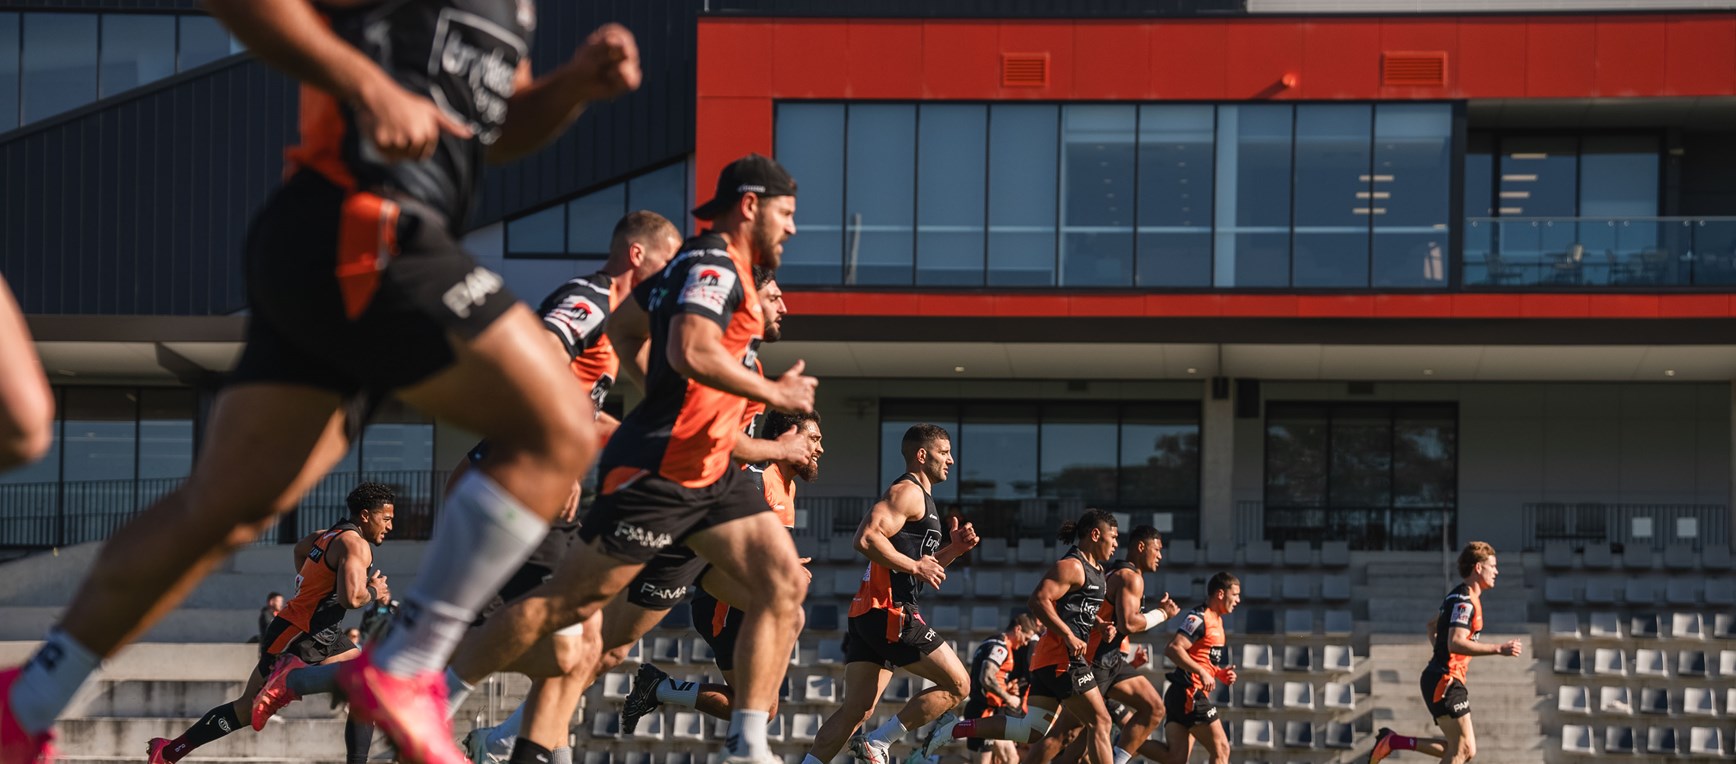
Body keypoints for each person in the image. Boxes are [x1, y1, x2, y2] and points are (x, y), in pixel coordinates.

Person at [0, 3, 643, 761]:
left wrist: (571, 86)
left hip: (336, 244)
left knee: (226, 509)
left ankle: (27, 705)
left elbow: (493, 135)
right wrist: (365, 84)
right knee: (558, 427)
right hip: (361, 223)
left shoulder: (513, 11)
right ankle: (406, 665)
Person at [443, 153, 818, 764]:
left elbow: (625, 331)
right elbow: (692, 348)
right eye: (787, 214)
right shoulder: (714, 266)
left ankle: (747, 747)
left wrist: (663, 397)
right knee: (574, 617)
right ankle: (436, 693)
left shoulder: (718, 271)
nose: (793, 228)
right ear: (751, 206)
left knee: (784, 585)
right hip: (663, 471)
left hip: (713, 471)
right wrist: (773, 396)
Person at [144, 483, 395, 764]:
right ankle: (168, 753)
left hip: (321, 630)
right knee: (246, 710)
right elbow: (352, 599)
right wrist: (375, 591)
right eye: (385, 519)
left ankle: (167, 752)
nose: (390, 526)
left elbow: (300, 550)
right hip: (299, 633)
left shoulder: (329, 534)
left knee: (366, 686)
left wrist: (314, 587)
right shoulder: (355, 544)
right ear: (365, 515)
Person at [623, 405, 823, 728]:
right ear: (788, 438)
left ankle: (658, 688)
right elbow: (726, 540)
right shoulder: (756, 476)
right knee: (754, 706)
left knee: (764, 709)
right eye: (814, 438)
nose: (820, 448)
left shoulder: (789, 485)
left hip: (748, 599)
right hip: (724, 604)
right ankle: (737, 745)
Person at [802, 423, 978, 764]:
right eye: (944, 452)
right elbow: (866, 539)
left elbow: (916, 566)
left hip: (871, 612)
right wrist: (915, 568)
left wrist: (952, 551)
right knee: (959, 685)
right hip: (889, 610)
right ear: (922, 455)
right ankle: (880, 742)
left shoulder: (921, 499)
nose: (951, 460)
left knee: (857, 710)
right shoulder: (907, 492)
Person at [1014, 525, 1179, 764]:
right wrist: (1162, 613)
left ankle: (1118, 760)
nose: (1160, 556)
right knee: (1070, 733)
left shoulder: (1117, 573)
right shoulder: (1128, 576)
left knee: (1152, 708)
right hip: (1095, 660)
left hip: (1112, 660)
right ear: (1141, 547)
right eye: (1157, 549)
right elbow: (1128, 623)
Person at [1367, 542, 1522, 764]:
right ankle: (1392, 742)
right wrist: (1498, 649)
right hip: (1446, 680)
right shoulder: (1465, 602)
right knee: (1462, 751)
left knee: (1464, 749)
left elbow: (1432, 626)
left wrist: (1441, 653)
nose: (1496, 571)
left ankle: (1393, 742)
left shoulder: (1457, 596)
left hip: (1441, 675)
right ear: (1478, 568)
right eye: (1493, 566)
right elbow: (1456, 642)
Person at [913, 613, 1040, 764]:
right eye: (1026, 638)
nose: (1026, 643)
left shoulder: (991, 641)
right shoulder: (1000, 647)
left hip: (991, 711)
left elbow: (991, 676)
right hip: (982, 712)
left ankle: (925, 759)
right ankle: (923, 760)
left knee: (1011, 759)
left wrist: (1007, 687)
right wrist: (1008, 697)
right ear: (1018, 629)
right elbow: (986, 678)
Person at [1160, 572, 1241, 764]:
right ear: (1221, 594)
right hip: (1190, 692)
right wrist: (1202, 672)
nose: (1238, 600)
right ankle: (1126, 743)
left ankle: (1126, 744)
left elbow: (1203, 659)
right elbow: (1173, 649)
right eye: (1235, 594)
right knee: (1221, 750)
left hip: (1181, 693)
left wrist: (1219, 673)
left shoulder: (1218, 620)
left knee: (1175, 759)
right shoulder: (1199, 618)